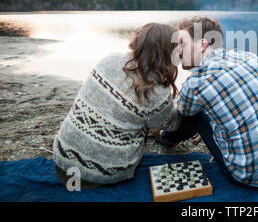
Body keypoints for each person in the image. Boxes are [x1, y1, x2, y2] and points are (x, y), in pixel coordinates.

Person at [152, 16, 258, 188]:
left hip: (251, 176)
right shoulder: (248, 57)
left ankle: (164, 137)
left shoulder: (196, 83)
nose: (177, 51)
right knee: (208, 106)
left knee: (193, 115)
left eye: (182, 43)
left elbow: (179, 117)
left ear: (203, 44)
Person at [53, 23, 181, 189]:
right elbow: (173, 124)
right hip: (102, 173)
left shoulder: (109, 60)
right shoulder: (157, 93)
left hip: (63, 162)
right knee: (145, 123)